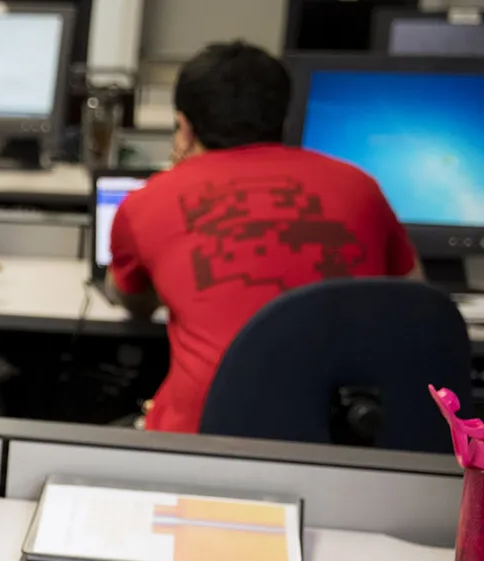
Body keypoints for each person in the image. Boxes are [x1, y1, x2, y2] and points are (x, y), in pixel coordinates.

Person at [107, 41, 421, 434]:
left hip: (204, 439)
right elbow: (415, 300)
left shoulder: (148, 201)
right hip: (344, 435)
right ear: (284, 120)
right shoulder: (359, 186)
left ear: (183, 126)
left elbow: (134, 303)